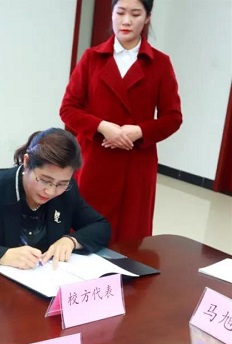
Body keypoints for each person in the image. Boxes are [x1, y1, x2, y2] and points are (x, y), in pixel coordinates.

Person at [60, 0, 182, 243]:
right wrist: (102, 127)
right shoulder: (91, 58)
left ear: (147, 17)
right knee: (85, 231)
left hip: (136, 163)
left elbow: (173, 117)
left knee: (130, 237)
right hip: (95, 158)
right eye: (121, 12)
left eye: (135, 14)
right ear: (112, 14)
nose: (126, 21)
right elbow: (68, 109)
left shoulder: (160, 63)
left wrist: (140, 131)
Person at [0, 128, 111, 270]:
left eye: (61, 183)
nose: (51, 191)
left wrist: (71, 241)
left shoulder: (67, 191)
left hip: (37, 282)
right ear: (27, 162)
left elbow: (101, 226)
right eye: (45, 180)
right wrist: (3, 254)